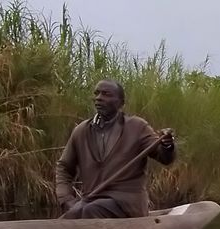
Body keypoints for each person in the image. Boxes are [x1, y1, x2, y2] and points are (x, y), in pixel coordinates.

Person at [54, 79, 176, 219]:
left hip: (126, 204)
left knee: (90, 210)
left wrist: (167, 145)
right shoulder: (81, 131)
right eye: (97, 93)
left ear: (120, 103)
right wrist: (66, 199)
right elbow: (64, 167)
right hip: (91, 201)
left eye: (106, 94)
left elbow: (164, 157)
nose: (99, 98)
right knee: (77, 212)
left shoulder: (137, 127)